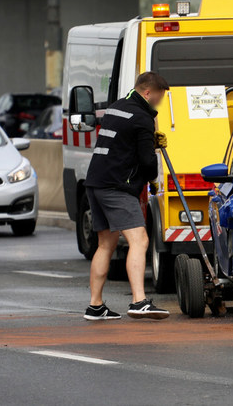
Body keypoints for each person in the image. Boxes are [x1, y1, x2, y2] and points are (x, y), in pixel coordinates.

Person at [83, 72, 171, 321]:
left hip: (96, 181)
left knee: (105, 244)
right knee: (140, 240)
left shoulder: (116, 107)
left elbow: (123, 142)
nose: (159, 101)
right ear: (147, 93)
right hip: (117, 186)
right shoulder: (143, 117)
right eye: (159, 96)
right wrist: (153, 177)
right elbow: (146, 160)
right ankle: (139, 301)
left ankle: (96, 305)